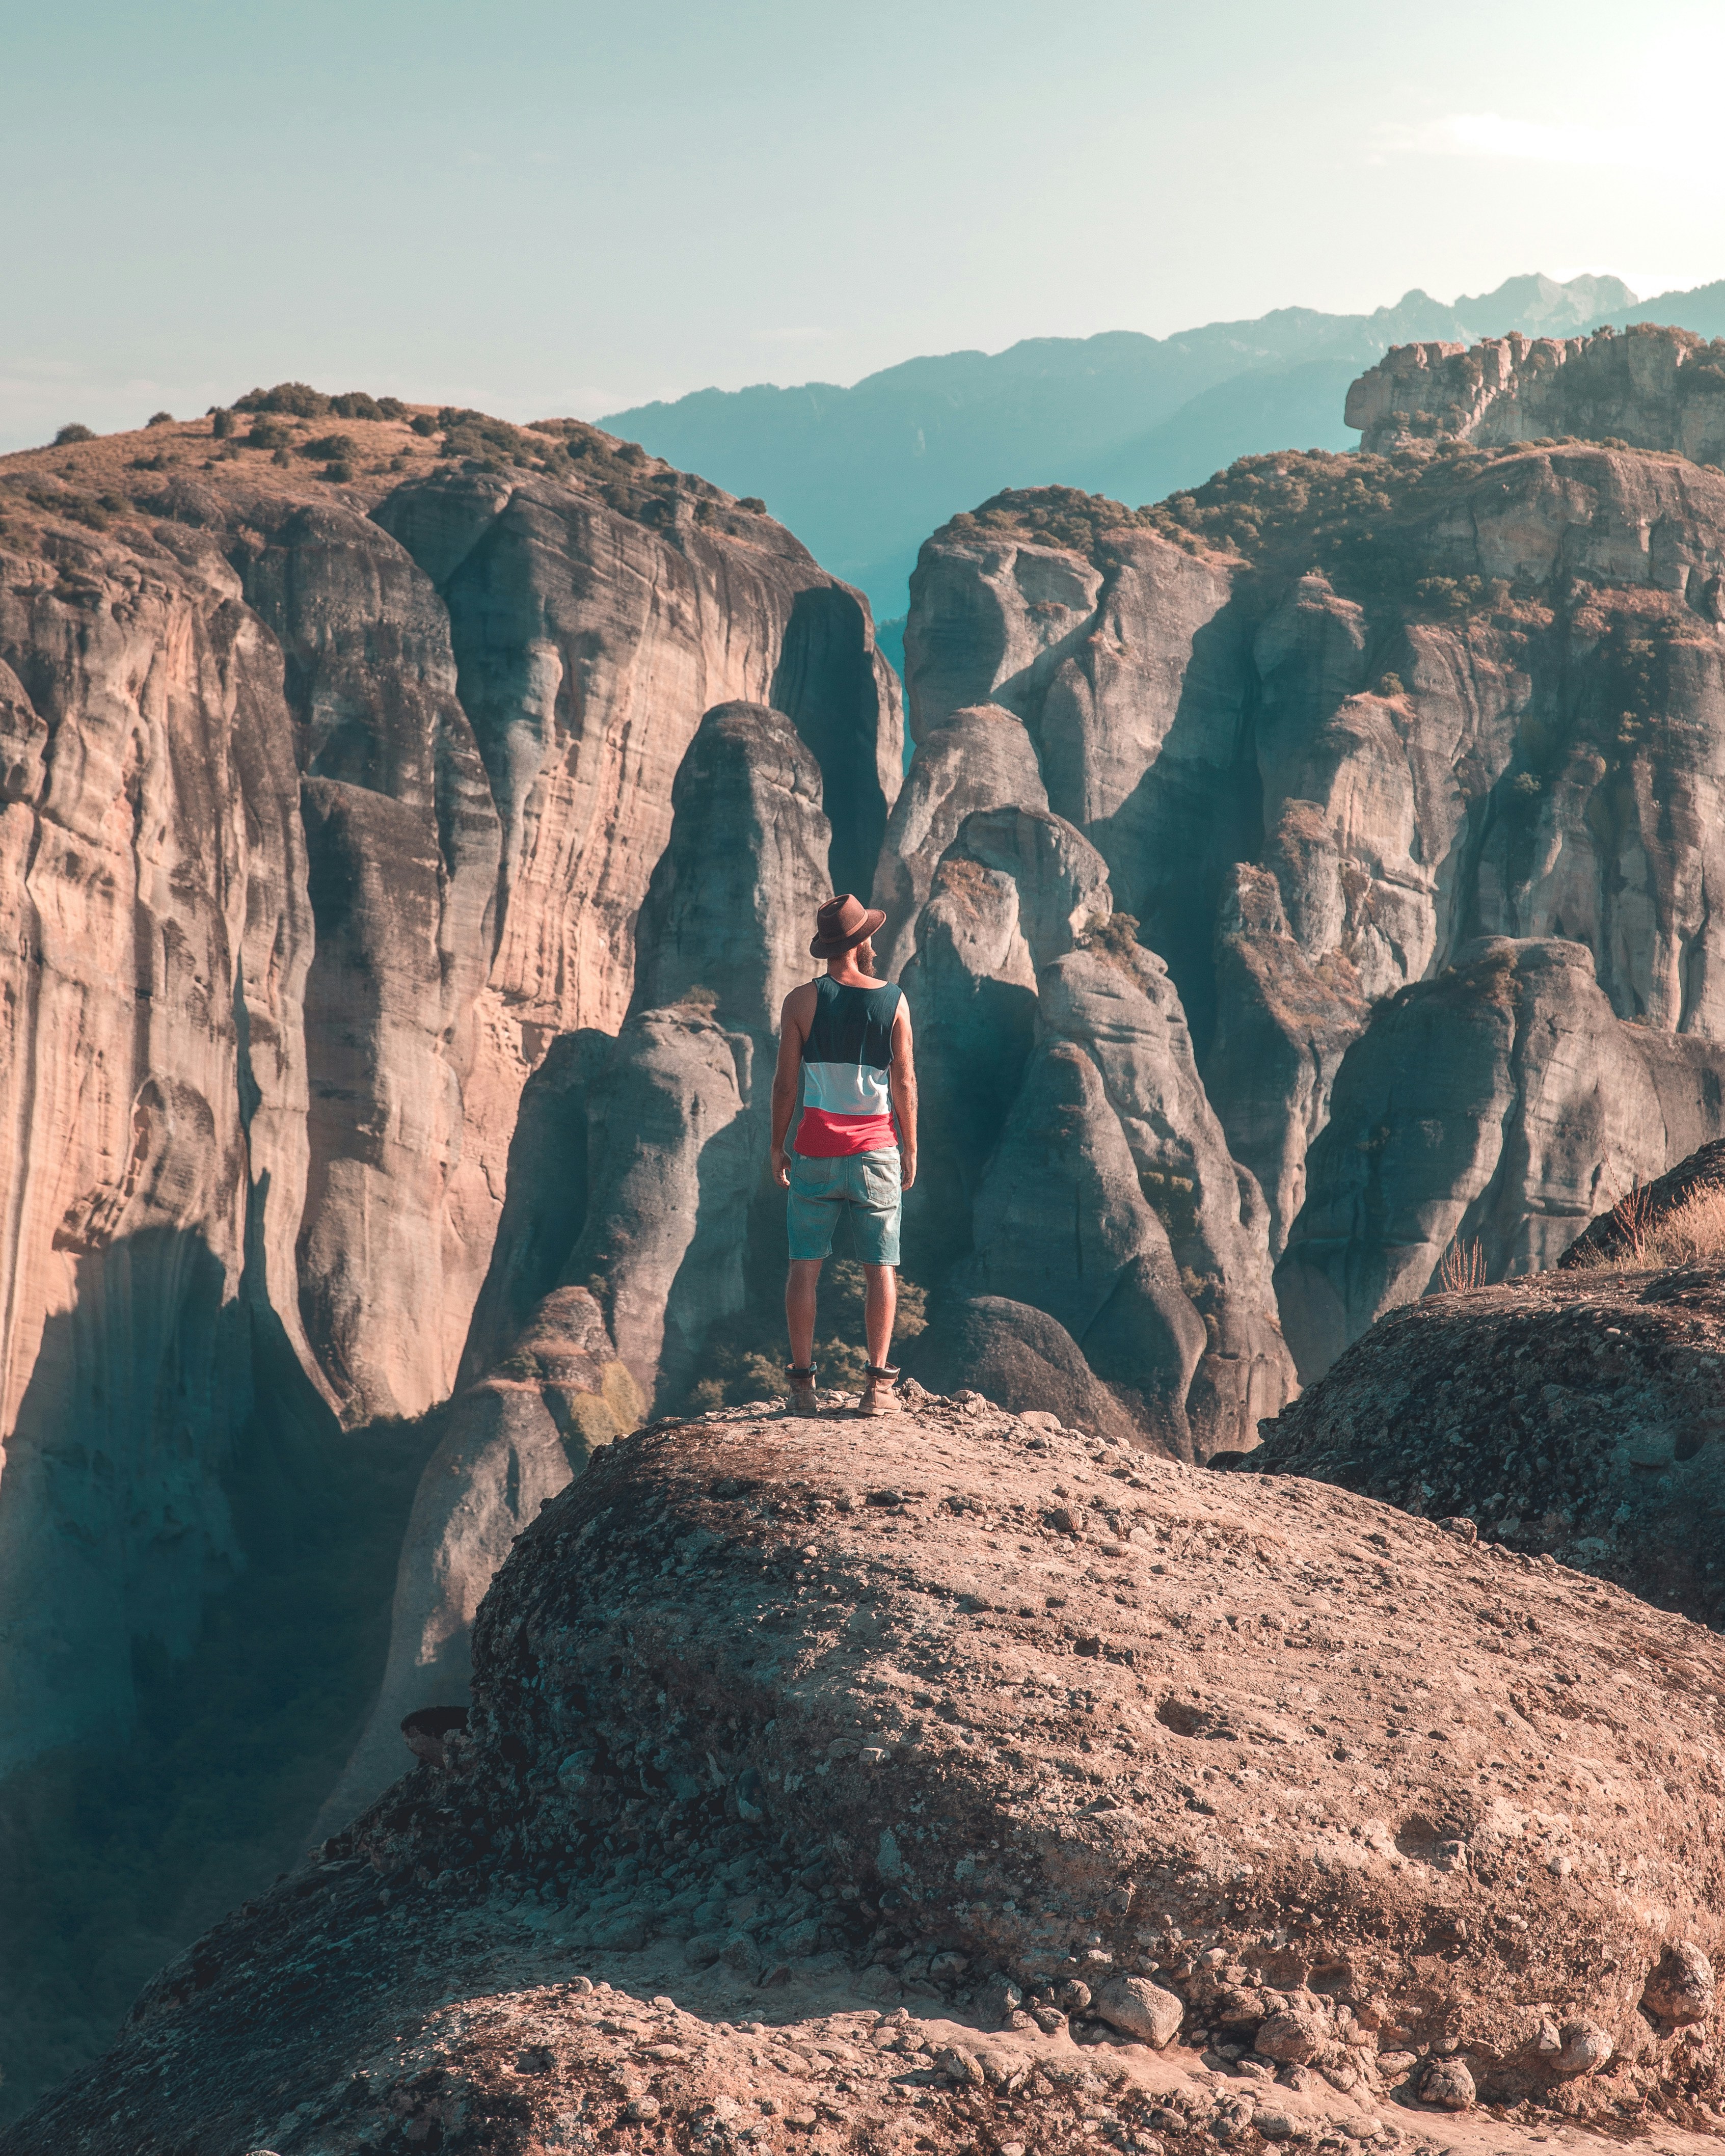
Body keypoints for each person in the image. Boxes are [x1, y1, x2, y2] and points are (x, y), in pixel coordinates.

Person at [770, 893, 918, 1417]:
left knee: (803, 1268)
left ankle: (802, 1390)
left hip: (814, 1151)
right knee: (880, 1267)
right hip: (877, 1149)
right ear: (861, 942)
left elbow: (785, 1084)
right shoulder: (894, 1000)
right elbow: (904, 1082)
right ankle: (877, 1389)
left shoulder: (799, 1002)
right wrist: (910, 1147)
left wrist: (776, 1145)